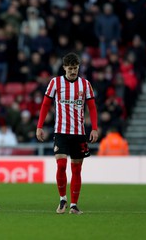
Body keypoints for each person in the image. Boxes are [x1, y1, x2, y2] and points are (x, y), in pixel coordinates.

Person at [36, 52, 98, 215]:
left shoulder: (85, 85)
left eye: (75, 68)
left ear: (79, 68)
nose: (73, 71)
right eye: (70, 68)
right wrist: (39, 126)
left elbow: (91, 107)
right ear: (64, 68)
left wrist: (95, 128)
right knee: (61, 165)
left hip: (79, 133)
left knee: (77, 170)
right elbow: (45, 105)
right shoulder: (55, 83)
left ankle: (74, 205)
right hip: (61, 132)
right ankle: (63, 199)